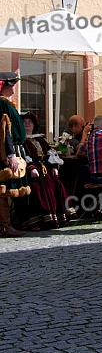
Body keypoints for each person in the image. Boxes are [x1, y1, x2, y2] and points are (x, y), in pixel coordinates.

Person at [14, 112, 76, 230]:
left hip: (44, 168)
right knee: (37, 188)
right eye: (24, 122)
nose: (27, 124)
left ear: (34, 125)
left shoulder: (41, 139)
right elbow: (20, 156)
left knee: (57, 184)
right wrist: (30, 167)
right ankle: (36, 221)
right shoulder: (20, 141)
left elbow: (49, 153)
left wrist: (53, 167)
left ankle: (60, 217)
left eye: (30, 122)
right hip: (28, 172)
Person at [0, 72, 30, 237]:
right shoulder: (1, 104)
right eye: (11, 85)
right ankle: (4, 226)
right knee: (2, 191)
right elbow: (4, 132)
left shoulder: (6, 103)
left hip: (12, 149)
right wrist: (10, 155)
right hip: (4, 153)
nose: (14, 88)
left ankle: (7, 224)